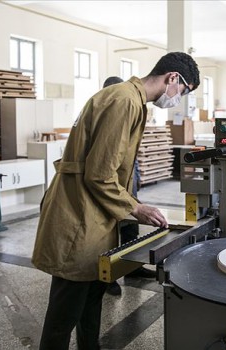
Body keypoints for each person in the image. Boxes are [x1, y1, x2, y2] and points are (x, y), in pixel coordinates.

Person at [32, 52, 200, 350]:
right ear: (173, 78)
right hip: (79, 215)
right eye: (183, 92)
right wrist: (135, 208)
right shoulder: (124, 101)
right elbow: (99, 175)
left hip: (96, 216)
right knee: (65, 312)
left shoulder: (128, 98)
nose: (178, 99)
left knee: (91, 302)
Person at [99, 76, 156, 297]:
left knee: (131, 226)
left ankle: (132, 267)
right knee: (110, 231)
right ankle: (109, 276)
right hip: (110, 188)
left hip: (126, 182)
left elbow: (129, 153)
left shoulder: (129, 105)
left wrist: (136, 177)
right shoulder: (109, 110)